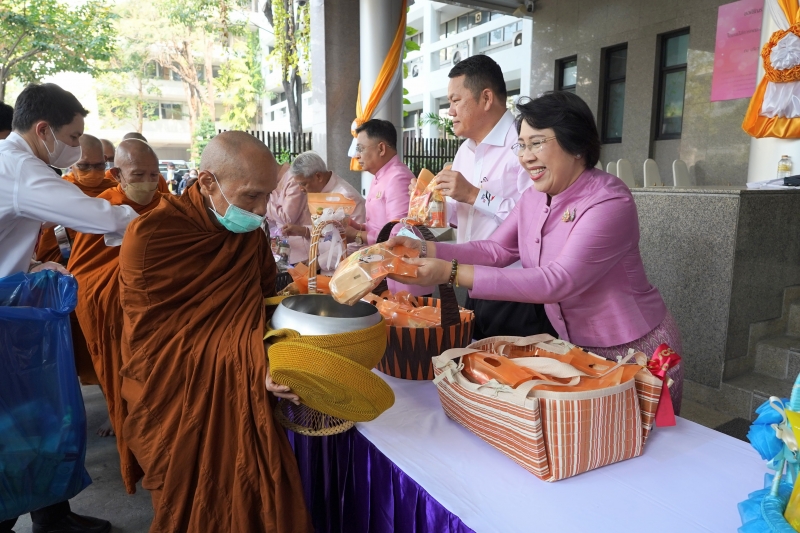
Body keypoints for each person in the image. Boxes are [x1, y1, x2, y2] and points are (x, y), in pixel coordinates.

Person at [388, 91, 684, 414]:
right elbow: (497, 249)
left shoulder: (610, 201)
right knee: (602, 449)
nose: (525, 156)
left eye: (537, 143)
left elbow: (557, 281)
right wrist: (425, 247)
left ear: (577, 145)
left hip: (641, 352)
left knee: (655, 448)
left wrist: (451, 273)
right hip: (580, 353)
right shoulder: (533, 198)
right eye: (522, 145)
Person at [118, 131, 311, 532]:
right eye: (250, 197)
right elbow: (158, 341)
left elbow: (256, 305)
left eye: (267, 197)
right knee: (188, 500)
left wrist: (275, 347)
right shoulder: (152, 237)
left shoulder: (248, 234)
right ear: (207, 182)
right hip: (176, 393)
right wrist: (254, 360)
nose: (261, 212)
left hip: (237, 389)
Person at [0, 82, 137, 533]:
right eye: (74, 139)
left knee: (38, 414)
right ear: (43, 131)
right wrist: (155, 219)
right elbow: (95, 216)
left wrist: (32, 262)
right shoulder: (21, 169)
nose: (78, 152)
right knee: (14, 424)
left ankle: (52, 514)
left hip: (13, 297)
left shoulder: (14, 164)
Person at [432, 54, 555, 340]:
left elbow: (536, 220)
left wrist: (475, 194)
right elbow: (458, 217)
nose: (450, 111)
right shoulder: (465, 150)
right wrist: (434, 206)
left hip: (516, 288)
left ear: (486, 98)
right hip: (473, 281)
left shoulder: (522, 144)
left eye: (455, 100)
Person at [67, 139, 162, 494]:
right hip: (117, 318)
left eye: (154, 174)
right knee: (126, 394)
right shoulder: (102, 209)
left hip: (161, 322)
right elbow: (85, 274)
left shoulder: (167, 205)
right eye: (139, 174)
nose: (149, 182)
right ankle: (140, 464)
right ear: (118, 174)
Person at [353, 119, 431, 296]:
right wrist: (356, 227)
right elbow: (379, 226)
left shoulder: (398, 177)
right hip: (385, 270)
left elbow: (399, 233)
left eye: (361, 148)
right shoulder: (379, 176)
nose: (357, 156)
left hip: (404, 277)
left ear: (381, 148)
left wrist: (357, 235)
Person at [35, 134, 120, 266]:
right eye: (84, 166)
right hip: (67, 263)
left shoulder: (116, 189)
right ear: (71, 163)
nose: (92, 171)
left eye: (99, 165)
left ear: (105, 161)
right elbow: (47, 243)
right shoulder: (58, 191)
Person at [281, 151, 366, 267]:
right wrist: (303, 230)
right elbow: (328, 231)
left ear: (318, 176)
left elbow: (356, 243)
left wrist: (319, 262)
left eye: (303, 184)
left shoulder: (346, 196)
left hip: (346, 271)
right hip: (326, 267)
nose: (301, 189)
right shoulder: (321, 192)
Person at [265, 160, 312, 264]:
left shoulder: (292, 178)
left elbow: (287, 218)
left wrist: (263, 202)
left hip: (303, 251)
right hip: (286, 251)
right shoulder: (273, 183)